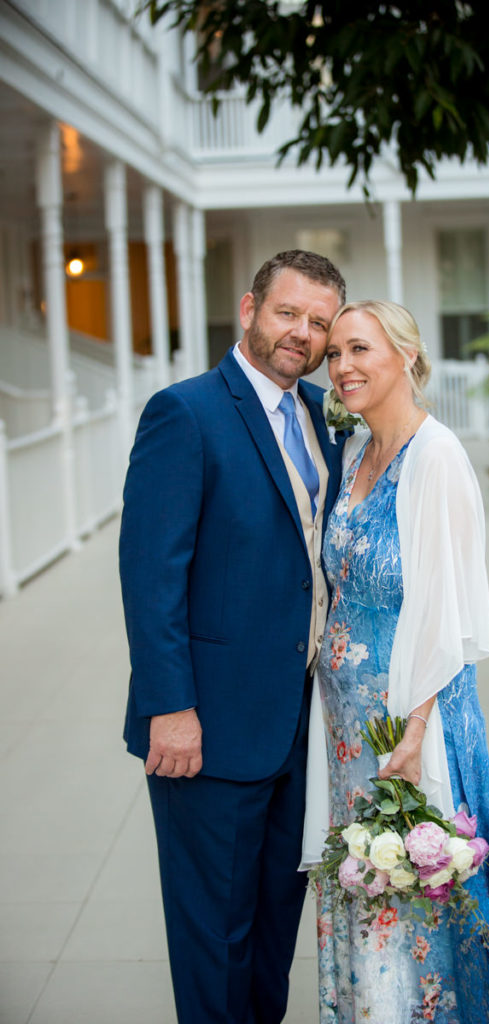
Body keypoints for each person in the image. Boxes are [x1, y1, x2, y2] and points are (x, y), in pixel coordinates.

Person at [304, 300, 489, 1023]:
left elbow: (447, 610)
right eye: (335, 355)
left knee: (418, 886)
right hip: (350, 729)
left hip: (410, 724)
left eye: (360, 349)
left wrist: (413, 735)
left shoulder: (435, 455)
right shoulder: (356, 454)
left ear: (408, 359)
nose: (343, 367)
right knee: (365, 877)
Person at [119, 250, 347, 1024]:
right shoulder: (184, 413)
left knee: (273, 927)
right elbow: (150, 578)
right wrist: (169, 707)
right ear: (249, 309)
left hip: (296, 723)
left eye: (319, 323)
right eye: (289, 313)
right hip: (206, 728)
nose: (303, 334)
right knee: (214, 936)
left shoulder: (322, 416)